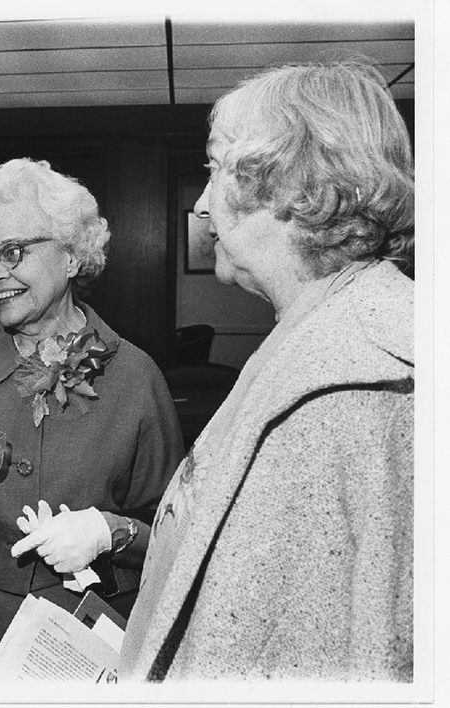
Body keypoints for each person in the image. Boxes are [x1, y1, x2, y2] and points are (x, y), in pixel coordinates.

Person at [118, 61, 414, 681]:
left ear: (288, 184)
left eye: (216, 167)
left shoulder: (361, 379)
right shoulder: (314, 331)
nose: (201, 205)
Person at [0, 158, 183, 681]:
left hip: (86, 635)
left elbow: (176, 535)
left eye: (13, 253)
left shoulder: (135, 376)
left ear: (73, 257)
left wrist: (109, 531)